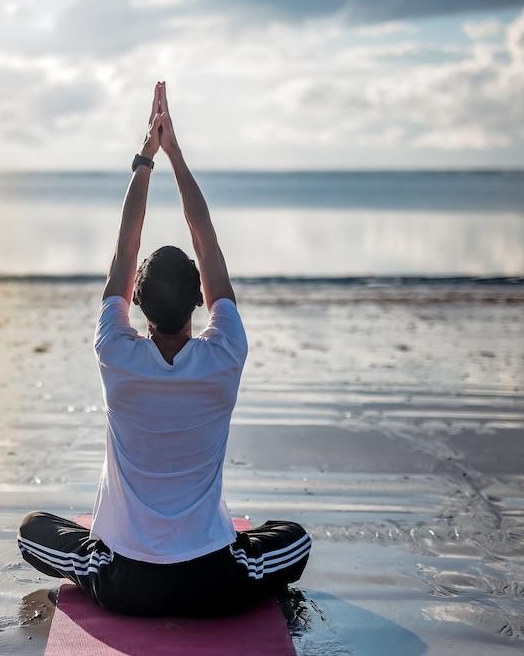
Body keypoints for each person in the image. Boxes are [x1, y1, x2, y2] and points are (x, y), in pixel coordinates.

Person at [16, 82, 310, 617]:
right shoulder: (224, 353)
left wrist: (145, 159)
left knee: (32, 531)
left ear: (137, 305)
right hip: (211, 578)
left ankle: (101, 563)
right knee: (295, 539)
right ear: (201, 300)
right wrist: (176, 154)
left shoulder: (116, 352)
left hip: (125, 580)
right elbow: (207, 241)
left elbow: (125, 250)